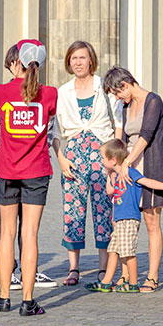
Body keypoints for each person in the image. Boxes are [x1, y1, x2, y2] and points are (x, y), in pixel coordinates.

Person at [0, 39, 57, 316]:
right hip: (37, 171)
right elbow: (50, 129)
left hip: (7, 169)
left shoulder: (0, 91)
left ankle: (4, 297)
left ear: (16, 61)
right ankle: (28, 301)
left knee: (7, 234)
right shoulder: (49, 94)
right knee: (30, 235)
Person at [52, 40, 118, 286]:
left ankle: (103, 267)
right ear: (69, 62)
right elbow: (56, 132)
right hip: (73, 158)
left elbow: (117, 123)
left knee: (103, 211)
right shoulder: (62, 92)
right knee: (73, 212)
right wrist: (61, 159)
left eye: (82, 58)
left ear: (91, 60)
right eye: (74, 58)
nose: (78, 62)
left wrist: (116, 162)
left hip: (102, 157)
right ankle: (73, 267)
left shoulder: (105, 86)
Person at [104, 66, 163, 293]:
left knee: (152, 222)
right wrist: (113, 170)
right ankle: (125, 276)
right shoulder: (125, 105)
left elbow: (145, 136)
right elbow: (120, 138)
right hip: (126, 168)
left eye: (117, 92)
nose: (117, 97)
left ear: (125, 84)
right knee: (124, 222)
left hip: (147, 165)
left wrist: (127, 163)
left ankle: (152, 277)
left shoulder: (153, 101)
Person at [85, 139, 163, 292]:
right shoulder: (115, 175)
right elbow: (110, 192)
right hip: (118, 219)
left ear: (113, 160)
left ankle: (133, 282)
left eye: (103, 158)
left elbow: (147, 181)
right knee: (113, 251)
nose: (101, 161)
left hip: (129, 219)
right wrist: (109, 175)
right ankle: (106, 281)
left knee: (128, 252)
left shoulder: (130, 172)